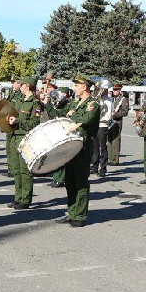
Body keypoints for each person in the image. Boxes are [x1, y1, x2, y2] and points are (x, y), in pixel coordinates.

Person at [42, 74, 100, 227]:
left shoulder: (93, 104)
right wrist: (47, 103)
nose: (74, 88)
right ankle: (72, 212)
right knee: (70, 181)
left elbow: (86, 119)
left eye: (76, 86)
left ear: (85, 87)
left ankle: (80, 215)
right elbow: (59, 116)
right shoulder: (75, 103)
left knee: (80, 182)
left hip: (83, 146)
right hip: (70, 147)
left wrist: (73, 114)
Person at [7, 76, 42, 209]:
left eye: (21, 85)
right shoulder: (19, 100)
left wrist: (17, 121)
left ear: (27, 86)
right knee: (16, 169)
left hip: (25, 138)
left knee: (25, 170)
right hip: (14, 136)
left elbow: (34, 123)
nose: (19, 86)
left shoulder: (35, 103)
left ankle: (26, 199)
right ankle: (18, 197)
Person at [90, 82, 114, 177]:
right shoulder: (95, 99)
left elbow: (109, 115)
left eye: (102, 89)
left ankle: (103, 168)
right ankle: (94, 167)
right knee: (94, 147)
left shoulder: (108, 100)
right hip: (95, 125)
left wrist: (101, 118)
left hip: (102, 125)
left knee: (102, 148)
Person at [106, 82, 129, 165]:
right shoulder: (111, 98)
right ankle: (110, 158)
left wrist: (115, 114)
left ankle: (115, 160)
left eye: (116, 90)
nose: (114, 91)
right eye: (113, 90)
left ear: (120, 90)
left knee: (115, 141)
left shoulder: (123, 99)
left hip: (117, 122)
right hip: (109, 122)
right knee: (109, 140)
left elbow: (125, 112)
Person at [5, 77, 23, 178]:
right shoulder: (13, 94)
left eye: (15, 83)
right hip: (9, 124)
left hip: (15, 124)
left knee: (14, 149)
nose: (13, 85)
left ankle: (14, 169)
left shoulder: (21, 96)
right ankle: (10, 168)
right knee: (9, 149)